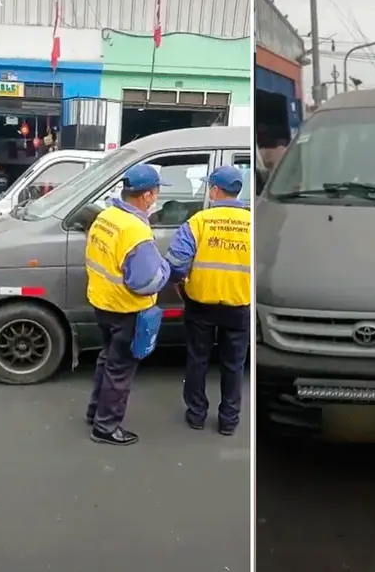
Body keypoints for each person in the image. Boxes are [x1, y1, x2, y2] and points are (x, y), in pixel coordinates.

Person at [84, 165, 172, 446]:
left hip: (103, 302)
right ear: (146, 196)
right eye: (156, 193)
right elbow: (146, 281)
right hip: (127, 309)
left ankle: (95, 412)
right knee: (120, 369)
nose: (156, 198)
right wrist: (166, 269)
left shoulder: (107, 216)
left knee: (107, 358)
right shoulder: (135, 231)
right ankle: (106, 427)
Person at [166, 166, 251, 435]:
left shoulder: (199, 222)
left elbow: (177, 263)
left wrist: (181, 284)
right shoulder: (253, 223)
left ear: (215, 190)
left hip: (200, 305)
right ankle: (228, 420)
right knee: (233, 365)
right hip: (239, 307)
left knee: (198, 360)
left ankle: (197, 415)